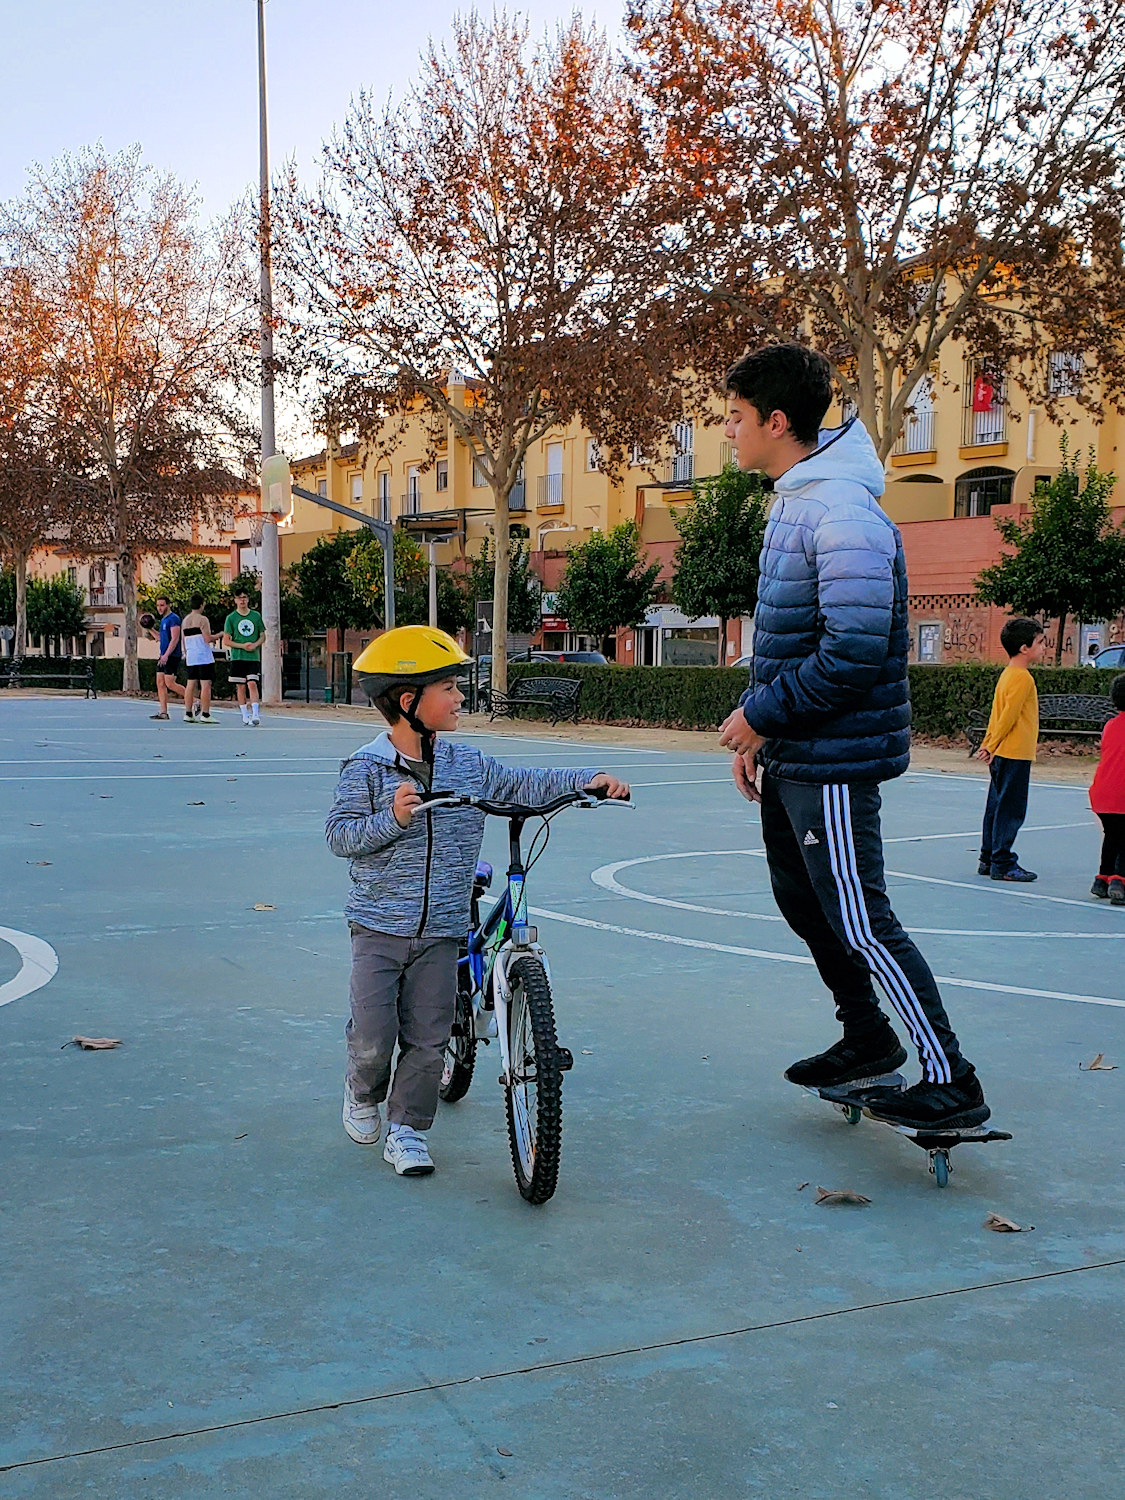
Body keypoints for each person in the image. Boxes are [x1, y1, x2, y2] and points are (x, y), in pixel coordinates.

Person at [716, 343, 989, 1132]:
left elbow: (854, 648)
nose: (727, 432)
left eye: (735, 418)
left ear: (775, 421)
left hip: (832, 759)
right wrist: (755, 735)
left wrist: (763, 716)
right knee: (805, 906)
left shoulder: (838, 511)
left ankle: (950, 1076)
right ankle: (867, 1037)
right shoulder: (798, 501)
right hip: (795, 751)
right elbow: (789, 639)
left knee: (860, 918)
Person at [325, 625, 629, 1177]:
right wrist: (390, 820)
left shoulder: (467, 764)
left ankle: (408, 1131)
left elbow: (521, 782)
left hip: (442, 928)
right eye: (449, 687)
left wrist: (589, 779)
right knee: (373, 1037)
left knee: (428, 1037)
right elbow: (340, 836)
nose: (461, 697)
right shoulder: (365, 768)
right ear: (408, 700)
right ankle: (361, 1090)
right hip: (379, 927)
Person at [976, 617, 1046, 883]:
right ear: (1024, 648)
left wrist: (988, 743)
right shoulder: (1023, 679)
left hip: (1003, 752)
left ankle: (988, 857)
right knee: (1011, 808)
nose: (1043, 648)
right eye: (1040, 643)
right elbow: (1008, 716)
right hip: (1015, 753)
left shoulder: (1008, 674)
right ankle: (1003, 862)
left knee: (995, 805)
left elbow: (997, 715)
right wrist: (991, 744)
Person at [1088, 673, 1125, 904]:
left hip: (1101, 793)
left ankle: (1101, 878)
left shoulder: (1110, 726)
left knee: (1112, 835)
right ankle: (1119, 881)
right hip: (1122, 793)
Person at [222, 589, 265, 726]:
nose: (242, 600)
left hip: (253, 657)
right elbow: (226, 640)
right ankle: (244, 714)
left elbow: (263, 635)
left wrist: (255, 645)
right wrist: (242, 646)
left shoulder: (256, 616)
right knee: (240, 686)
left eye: (245, 597)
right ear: (235, 600)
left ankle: (255, 713)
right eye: (239, 598)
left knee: (252, 683)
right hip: (238, 656)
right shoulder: (231, 618)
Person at [181, 593, 219, 724]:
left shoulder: (185, 620)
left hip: (191, 655)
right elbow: (207, 639)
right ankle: (206, 713)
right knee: (205, 684)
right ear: (202, 605)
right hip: (203, 656)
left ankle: (188, 712)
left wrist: (186, 653)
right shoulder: (203, 620)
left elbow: (183, 640)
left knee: (190, 684)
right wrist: (219, 635)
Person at [149, 596, 185, 720]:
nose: (159, 608)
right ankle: (163, 712)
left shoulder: (173, 619)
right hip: (163, 655)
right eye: (158, 605)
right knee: (160, 683)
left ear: (168, 605)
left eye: (162, 605)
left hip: (172, 655)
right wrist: (149, 628)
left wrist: (166, 655)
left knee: (170, 683)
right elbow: (160, 637)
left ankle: (195, 701)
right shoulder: (163, 620)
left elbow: (175, 639)